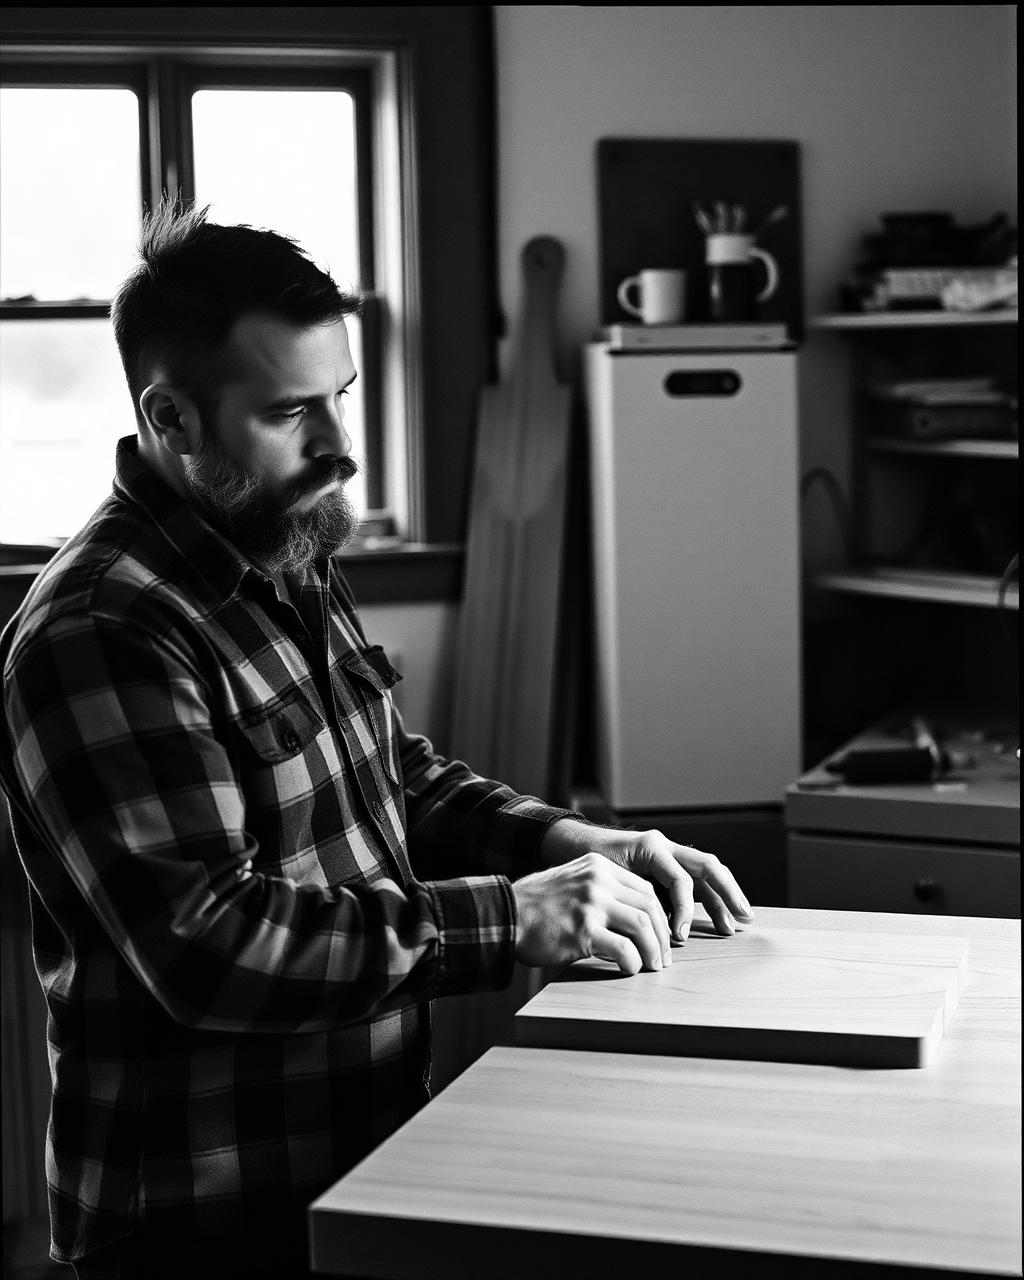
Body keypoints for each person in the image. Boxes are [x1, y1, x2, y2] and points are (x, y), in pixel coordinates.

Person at [0, 200, 754, 1280]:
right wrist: (515, 915)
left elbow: (390, 775)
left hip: (360, 1151)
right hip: (202, 1215)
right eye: (291, 411)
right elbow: (209, 946)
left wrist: (572, 842)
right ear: (172, 419)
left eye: (342, 397)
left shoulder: (282, 537)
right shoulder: (102, 630)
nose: (339, 449)